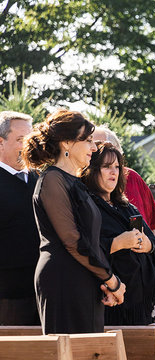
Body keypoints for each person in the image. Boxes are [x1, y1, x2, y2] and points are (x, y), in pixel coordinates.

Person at [22, 110, 125, 333]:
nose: (94, 148)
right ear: (67, 143)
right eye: (88, 141)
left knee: (89, 358)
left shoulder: (75, 182)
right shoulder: (52, 179)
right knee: (71, 359)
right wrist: (112, 280)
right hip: (63, 280)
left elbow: (91, 240)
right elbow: (72, 240)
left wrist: (105, 280)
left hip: (85, 279)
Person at [82, 143, 155, 325]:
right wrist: (119, 242)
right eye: (106, 167)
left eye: (117, 167)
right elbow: (84, 249)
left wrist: (145, 244)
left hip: (141, 304)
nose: (114, 172)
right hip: (112, 303)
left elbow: (154, 243)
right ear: (92, 170)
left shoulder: (127, 207)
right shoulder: (87, 206)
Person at [0, 111, 40, 325]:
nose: (28, 146)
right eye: (20, 140)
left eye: (30, 139)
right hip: (8, 297)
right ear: (0, 142)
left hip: (44, 292)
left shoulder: (41, 179)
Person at [92, 126, 155, 231]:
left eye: (98, 147)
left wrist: (148, 244)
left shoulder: (131, 177)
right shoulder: (80, 183)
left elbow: (150, 229)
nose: (91, 151)